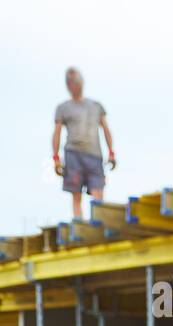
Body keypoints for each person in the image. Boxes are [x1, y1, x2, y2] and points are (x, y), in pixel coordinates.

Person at [52, 67, 115, 218]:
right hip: (73, 154)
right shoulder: (63, 108)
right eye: (70, 82)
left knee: (98, 191)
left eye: (76, 81)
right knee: (76, 194)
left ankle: (99, 221)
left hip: (94, 154)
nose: (74, 85)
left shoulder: (95, 106)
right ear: (68, 86)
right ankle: (78, 222)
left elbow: (106, 129)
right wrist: (56, 158)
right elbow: (57, 133)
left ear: (81, 83)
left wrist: (111, 152)